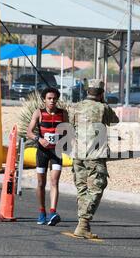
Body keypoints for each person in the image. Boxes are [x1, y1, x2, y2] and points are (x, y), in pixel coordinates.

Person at [70, 79, 119, 239]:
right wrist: (103, 103)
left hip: (78, 154)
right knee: (97, 186)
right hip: (95, 155)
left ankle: (82, 224)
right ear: (101, 93)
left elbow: (70, 124)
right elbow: (115, 120)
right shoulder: (102, 108)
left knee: (82, 187)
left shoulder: (76, 107)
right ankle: (83, 222)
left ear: (87, 91)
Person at [27, 87, 68, 226]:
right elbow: (29, 132)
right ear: (44, 99)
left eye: (54, 98)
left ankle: (52, 212)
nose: (52, 101)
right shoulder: (39, 113)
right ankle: (42, 212)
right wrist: (39, 139)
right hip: (42, 152)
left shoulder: (63, 113)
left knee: (54, 181)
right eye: (49, 98)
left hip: (56, 152)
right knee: (40, 183)